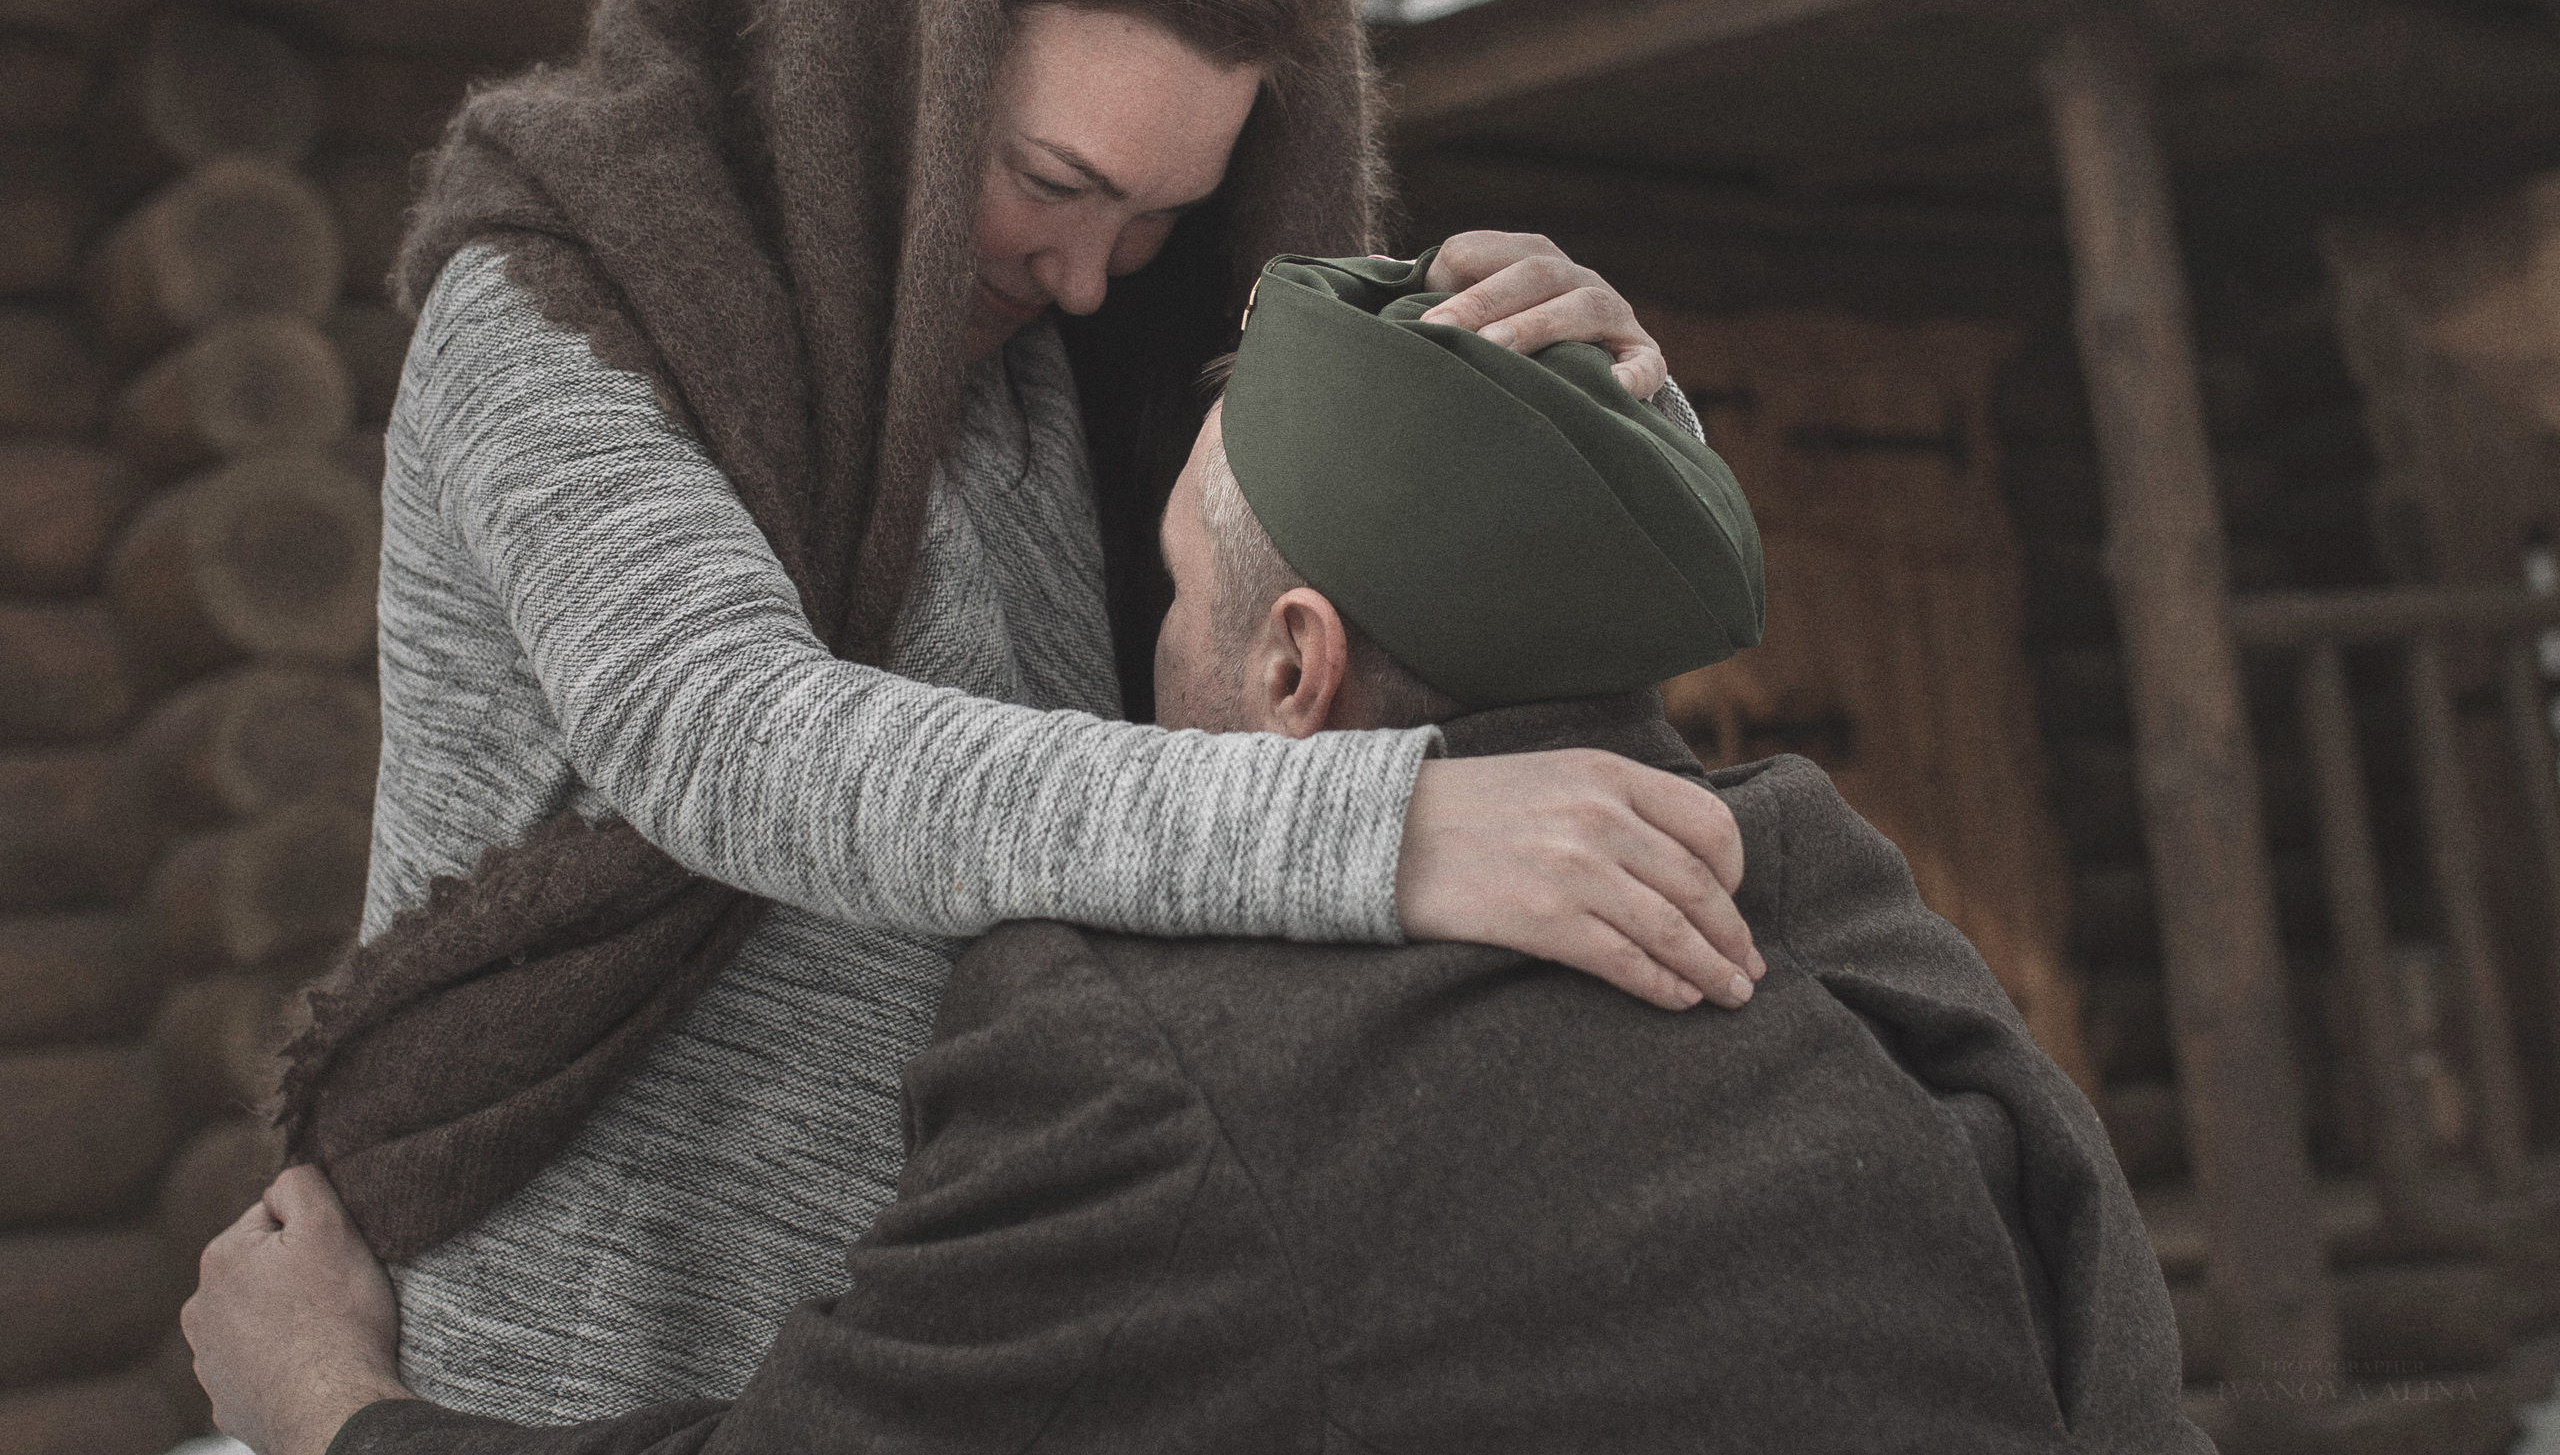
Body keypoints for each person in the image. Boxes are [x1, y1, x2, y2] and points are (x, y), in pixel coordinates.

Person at [188, 253, 2205, 1455]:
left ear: (1292, 661)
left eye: (1162, 582)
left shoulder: (1170, 1064)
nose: (1125, 644)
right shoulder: (1838, 925)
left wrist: (334, 1409)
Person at [275, 0, 1772, 1425]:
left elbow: (1355, 611)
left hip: (963, 1343)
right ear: (893, 54)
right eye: (1050, 180)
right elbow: (722, 735)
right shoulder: (552, 298)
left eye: (1162, 217)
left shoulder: (1060, 368)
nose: (1088, 273)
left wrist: (1591, 407)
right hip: (584, 1349)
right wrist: (1386, 829)